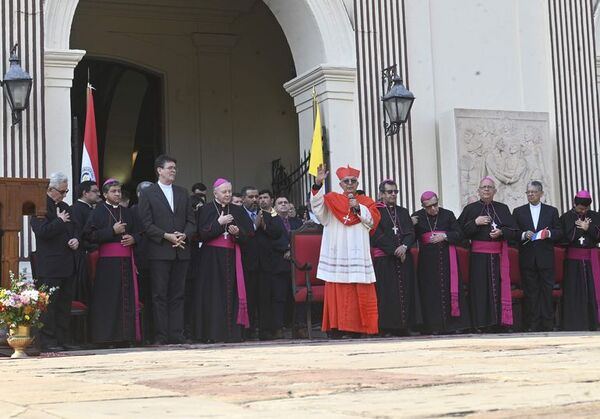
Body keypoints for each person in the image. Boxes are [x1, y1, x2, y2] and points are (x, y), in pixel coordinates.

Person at [311, 163, 381, 336]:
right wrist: (318, 184)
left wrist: (357, 207)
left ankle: (359, 328)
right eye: (346, 181)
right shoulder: (331, 199)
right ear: (340, 184)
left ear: (357, 184)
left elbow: (373, 221)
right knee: (337, 289)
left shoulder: (366, 202)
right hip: (337, 253)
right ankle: (336, 327)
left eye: (353, 181)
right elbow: (318, 211)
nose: (350, 183)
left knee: (359, 289)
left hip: (357, 253)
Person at [138, 155, 195, 345]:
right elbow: (146, 223)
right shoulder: (148, 193)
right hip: (160, 251)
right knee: (159, 295)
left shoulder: (182, 192)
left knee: (178, 294)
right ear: (159, 170)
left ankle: (176, 333)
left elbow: (191, 221)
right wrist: (166, 236)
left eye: (175, 168)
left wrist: (184, 235)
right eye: (170, 168)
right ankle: (161, 335)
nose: (173, 171)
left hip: (181, 250)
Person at [84, 179, 141, 345]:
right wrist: (111, 231)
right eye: (114, 191)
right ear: (105, 194)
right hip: (107, 265)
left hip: (126, 262)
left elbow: (141, 233)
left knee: (126, 299)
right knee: (108, 300)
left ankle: (126, 337)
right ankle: (107, 338)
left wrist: (133, 238)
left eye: (119, 191)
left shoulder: (128, 212)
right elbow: (88, 236)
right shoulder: (98, 212)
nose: (117, 194)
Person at [458, 176, 519, 332]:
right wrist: (475, 223)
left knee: (499, 288)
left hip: (498, 257)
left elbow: (514, 231)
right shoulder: (470, 209)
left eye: (489, 187)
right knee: (480, 290)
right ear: (478, 191)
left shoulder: (503, 208)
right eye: (483, 187)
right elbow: (459, 232)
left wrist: (501, 232)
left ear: (495, 191)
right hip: (478, 257)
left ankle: (501, 323)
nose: (486, 190)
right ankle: (481, 324)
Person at [194, 178, 250, 342]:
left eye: (230, 192)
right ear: (215, 193)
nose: (228, 194)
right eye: (224, 192)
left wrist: (237, 232)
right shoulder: (205, 209)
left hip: (231, 258)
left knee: (231, 293)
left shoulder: (238, 211)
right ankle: (212, 334)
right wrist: (219, 223)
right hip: (210, 259)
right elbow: (201, 234)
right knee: (212, 294)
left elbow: (248, 236)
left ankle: (232, 334)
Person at [31, 172, 80, 352]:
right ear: (50, 189)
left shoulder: (66, 206)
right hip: (50, 265)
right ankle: (48, 341)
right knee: (49, 306)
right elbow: (42, 232)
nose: (64, 195)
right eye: (62, 191)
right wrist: (59, 221)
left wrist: (76, 239)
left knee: (64, 305)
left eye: (66, 191)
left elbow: (75, 227)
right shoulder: (40, 207)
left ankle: (62, 338)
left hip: (67, 263)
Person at [412, 190, 470, 334]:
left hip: (447, 259)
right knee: (430, 293)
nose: (433, 209)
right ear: (423, 206)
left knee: (450, 290)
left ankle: (454, 326)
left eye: (435, 204)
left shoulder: (448, 214)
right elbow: (410, 238)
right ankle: (433, 327)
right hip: (427, 262)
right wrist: (410, 224)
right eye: (428, 207)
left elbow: (459, 234)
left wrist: (444, 236)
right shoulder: (417, 216)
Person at [371, 180, 420, 335]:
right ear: (381, 194)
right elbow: (376, 236)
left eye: (395, 192)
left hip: (404, 258)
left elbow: (410, 232)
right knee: (387, 294)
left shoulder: (403, 211)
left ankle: (404, 326)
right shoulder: (375, 211)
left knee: (406, 291)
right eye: (389, 192)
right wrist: (395, 251)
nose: (393, 194)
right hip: (385, 259)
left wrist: (404, 246)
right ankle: (386, 327)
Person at [512, 181, 562, 332]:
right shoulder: (518, 211)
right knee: (531, 292)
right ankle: (532, 324)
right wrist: (523, 234)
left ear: (541, 193)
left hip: (545, 258)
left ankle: (548, 323)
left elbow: (560, 232)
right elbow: (513, 233)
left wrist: (549, 233)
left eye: (533, 192)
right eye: (528, 192)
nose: (530, 194)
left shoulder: (551, 211)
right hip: (527, 258)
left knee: (546, 292)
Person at [238, 187, 282, 339]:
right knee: (249, 298)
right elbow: (241, 236)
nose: (255, 200)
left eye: (257, 197)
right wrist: (255, 225)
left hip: (265, 263)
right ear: (243, 199)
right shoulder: (238, 214)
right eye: (251, 197)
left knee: (265, 299)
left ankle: (265, 331)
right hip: (246, 263)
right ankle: (247, 331)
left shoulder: (267, 213)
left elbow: (278, 232)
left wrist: (264, 226)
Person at [559, 190, 600, 331]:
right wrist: (580, 230)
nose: (583, 211)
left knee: (593, 292)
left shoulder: (595, 216)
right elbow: (563, 239)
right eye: (580, 208)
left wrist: (588, 228)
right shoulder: (566, 217)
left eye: (585, 209)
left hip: (591, 261)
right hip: (573, 262)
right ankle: (575, 325)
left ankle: (594, 323)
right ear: (574, 204)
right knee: (574, 293)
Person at [271, 196, 303, 338]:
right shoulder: (271, 221)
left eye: (285, 202)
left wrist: (293, 250)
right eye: (280, 203)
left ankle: (299, 326)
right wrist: (286, 248)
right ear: (275, 206)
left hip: (297, 264)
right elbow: (271, 239)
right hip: (279, 264)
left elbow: (302, 238)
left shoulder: (296, 222)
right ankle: (279, 327)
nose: (283, 205)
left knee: (298, 296)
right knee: (279, 297)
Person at [70, 180, 101, 307]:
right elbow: (80, 233)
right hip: (82, 257)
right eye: (95, 191)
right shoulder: (76, 209)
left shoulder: (90, 209)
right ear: (85, 193)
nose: (98, 194)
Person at [131, 180, 153, 342]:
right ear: (139, 195)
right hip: (140, 260)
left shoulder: (159, 210)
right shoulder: (132, 211)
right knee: (143, 298)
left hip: (158, 259)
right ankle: (143, 335)